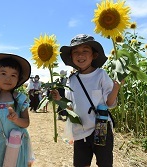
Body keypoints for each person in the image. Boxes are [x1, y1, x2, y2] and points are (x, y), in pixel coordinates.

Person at [51, 34, 123, 167]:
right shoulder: (72, 79)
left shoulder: (101, 74)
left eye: (85, 51)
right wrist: (60, 99)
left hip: (101, 126)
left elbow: (109, 103)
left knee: (104, 163)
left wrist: (116, 88)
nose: (80, 55)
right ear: (71, 57)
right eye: (76, 52)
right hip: (80, 129)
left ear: (94, 55)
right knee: (80, 163)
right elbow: (71, 106)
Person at [0, 53, 34, 167]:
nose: (8, 78)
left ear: (18, 78)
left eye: (13, 75)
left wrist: (16, 119)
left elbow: (26, 123)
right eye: (3, 73)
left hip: (14, 144)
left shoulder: (20, 99)